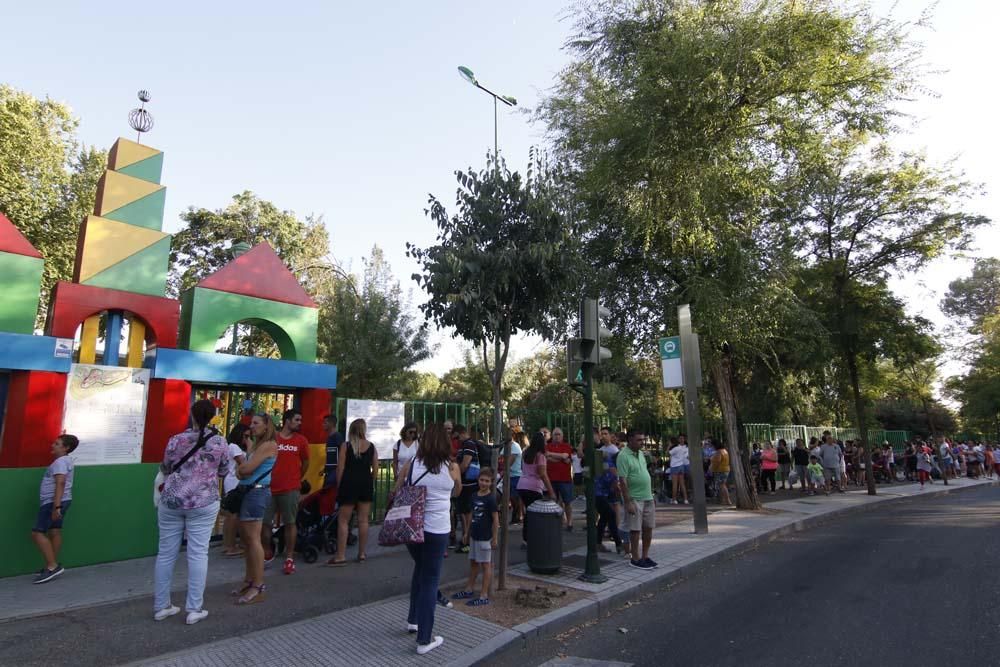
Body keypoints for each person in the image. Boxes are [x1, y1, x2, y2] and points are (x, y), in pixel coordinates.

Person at [153, 400, 228, 624]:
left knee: (165, 554)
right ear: (213, 416)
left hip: (172, 500)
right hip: (204, 502)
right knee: (198, 554)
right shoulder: (219, 442)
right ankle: (194, 608)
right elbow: (224, 470)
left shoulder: (176, 440)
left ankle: (161, 606)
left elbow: (165, 467)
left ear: (192, 415)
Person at [397, 423, 461, 655]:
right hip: (437, 531)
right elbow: (458, 492)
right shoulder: (451, 467)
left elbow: (397, 489)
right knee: (431, 580)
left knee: (421, 570)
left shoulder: (412, 463)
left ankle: (413, 619)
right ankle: (424, 639)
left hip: (412, 530)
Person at [233, 413, 277, 605]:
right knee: (246, 539)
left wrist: (242, 468)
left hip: (256, 493)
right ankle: (249, 580)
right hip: (248, 491)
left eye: (256, 423)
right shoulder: (257, 445)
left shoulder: (268, 445)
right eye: (251, 423)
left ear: (267, 426)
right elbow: (242, 470)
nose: (252, 426)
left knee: (253, 539)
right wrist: (243, 468)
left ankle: (258, 585)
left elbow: (245, 470)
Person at [263, 409, 310, 575]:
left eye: (300, 420)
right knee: (265, 523)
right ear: (287, 421)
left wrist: (297, 478)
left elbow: (306, 462)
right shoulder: (273, 438)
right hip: (269, 487)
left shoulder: (301, 440)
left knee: (290, 522)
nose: (300, 423)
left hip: (290, 488)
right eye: (297, 420)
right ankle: (267, 551)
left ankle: (289, 558)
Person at [31, 433, 80, 584]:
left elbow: (60, 483)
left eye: (57, 444)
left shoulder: (60, 462)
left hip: (53, 502)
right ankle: (51, 564)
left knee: (37, 533)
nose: (53, 445)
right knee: (54, 531)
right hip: (61, 500)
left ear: (66, 448)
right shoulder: (66, 461)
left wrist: (56, 506)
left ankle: (52, 566)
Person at [329, 419, 377, 565]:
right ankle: (362, 553)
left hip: (349, 483)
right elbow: (375, 468)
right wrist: (370, 480)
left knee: (343, 520)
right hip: (365, 483)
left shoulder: (346, 446)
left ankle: (341, 555)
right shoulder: (371, 447)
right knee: (363, 520)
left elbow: (340, 467)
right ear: (364, 429)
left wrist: (339, 484)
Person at [452, 467, 499, 606]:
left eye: (487, 481)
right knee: (473, 562)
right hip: (474, 535)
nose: (483, 483)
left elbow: (495, 519)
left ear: (491, 482)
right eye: (481, 480)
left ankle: (484, 594)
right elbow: (471, 515)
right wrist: (467, 532)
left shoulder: (491, 499)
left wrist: (495, 537)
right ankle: (469, 588)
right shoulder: (474, 496)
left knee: (486, 565)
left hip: (485, 537)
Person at [617, 429, 657, 570]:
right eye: (639, 440)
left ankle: (645, 556)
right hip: (635, 499)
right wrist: (628, 502)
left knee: (648, 527)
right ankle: (635, 558)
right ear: (630, 440)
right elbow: (623, 480)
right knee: (635, 529)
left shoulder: (640, 453)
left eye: (643, 439)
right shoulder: (623, 456)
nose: (642, 442)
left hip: (647, 497)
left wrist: (651, 494)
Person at [517, 431, 556, 548]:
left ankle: (526, 539)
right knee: (536, 514)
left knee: (529, 513)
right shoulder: (540, 456)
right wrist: (551, 491)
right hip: (534, 487)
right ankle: (534, 539)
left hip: (522, 485)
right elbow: (543, 474)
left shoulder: (526, 453)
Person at [221, 430, 247, 557]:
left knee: (232, 515)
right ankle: (230, 546)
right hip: (234, 482)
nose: (247, 438)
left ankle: (227, 544)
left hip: (236, 481)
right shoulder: (234, 446)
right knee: (233, 515)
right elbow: (244, 463)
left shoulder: (233, 447)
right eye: (245, 435)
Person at [595, 443, 623, 553]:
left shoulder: (606, 462)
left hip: (599, 494)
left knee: (605, 517)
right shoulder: (610, 465)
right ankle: (618, 544)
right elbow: (613, 482)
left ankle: (599, 543)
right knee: (610, 515)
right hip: (599, 494)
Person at [545, 427, 574, 530]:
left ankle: (569, 522)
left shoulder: (566, 446)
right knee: (554, 502)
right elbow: (547, 457)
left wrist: (553, 456)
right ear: (552, 436)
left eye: (559, 434)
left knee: (567, 502)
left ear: (562, 436)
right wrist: (560, 457)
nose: (557, 436)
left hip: (565, 479)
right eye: (555, 434)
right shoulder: (547, 446)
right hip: (551, 479)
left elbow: (565, 456)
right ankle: (559, 521)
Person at [506, 432, 526, 524]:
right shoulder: (506, 445)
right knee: (512, 497)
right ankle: (517, 514)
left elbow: (511, 460)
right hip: (509, 475)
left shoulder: (514, 446)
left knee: (515, 497)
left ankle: (518, 514)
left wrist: (504, 469)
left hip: (516, 475)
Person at [669, 437, 690, 505]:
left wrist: (669, 446)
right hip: (681, 466)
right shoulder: (681, 448)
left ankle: (674, 499)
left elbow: (668, 453)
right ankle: (686, 499)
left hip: (675, 466)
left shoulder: (675, 449)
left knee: (675, 484)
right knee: (682, 484)